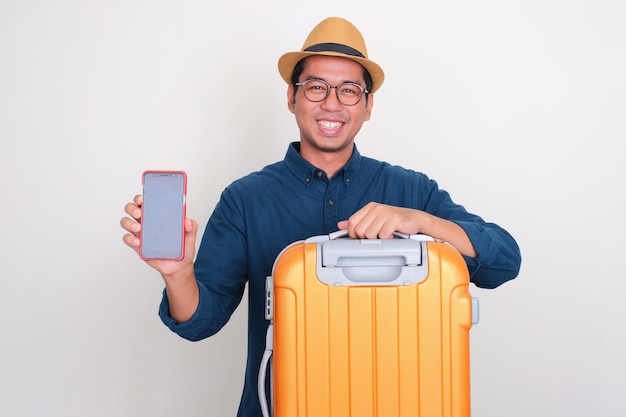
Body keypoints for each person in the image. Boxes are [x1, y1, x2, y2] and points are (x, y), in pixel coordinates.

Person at [120, 16, 521, 417]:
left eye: (349, 90)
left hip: (398, 402)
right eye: (316, 87)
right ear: (291, 98)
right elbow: (201, 322)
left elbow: (504, 261)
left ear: (368, 106)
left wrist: (422, 222)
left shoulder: (410, 192)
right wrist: (177, 274)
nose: (332, 103)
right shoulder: (245, 199)